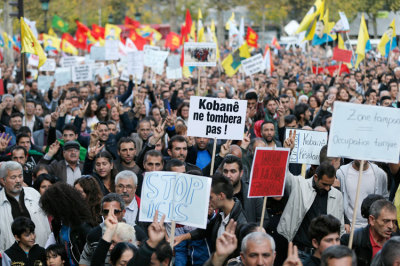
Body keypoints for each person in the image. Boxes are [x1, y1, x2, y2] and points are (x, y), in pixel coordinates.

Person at [277, 135, 344, 257]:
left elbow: (340, 227)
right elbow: (283, 173)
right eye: (324, 184)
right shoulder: (299, 184)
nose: (328, 188)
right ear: (316, 177)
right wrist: (287, 151)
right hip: (300, 251)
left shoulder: (337, 195)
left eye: (330, 185)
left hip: (326, 254)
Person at [175, 175, 248, 254]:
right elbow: (207, 230)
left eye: (210, 197)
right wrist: (182, 237)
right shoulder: (221, 214)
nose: (207, 201)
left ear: (221, 196)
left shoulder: (241, 224)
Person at [40, 183, 95, 265]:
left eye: (52, 208)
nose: (51, 212)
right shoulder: (57, 223)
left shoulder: (83, 226)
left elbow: (93, 254)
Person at [0, 161, 51, 250]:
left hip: (39, 251)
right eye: (13, 177)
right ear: (3, 180)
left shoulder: (34, 193)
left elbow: (46, 224)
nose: (18, 180)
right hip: (11, 257)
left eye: (20, 176)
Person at [341, 199, 397, 266]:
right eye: (386, 221)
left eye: (393, 221)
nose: (391, 226)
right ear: (372, 220)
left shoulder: (397, 244)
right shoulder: (351, 241)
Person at [337, 160, 389, 228]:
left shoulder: (380, 174)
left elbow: (385, 200)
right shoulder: (340, 174)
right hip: (349, 227)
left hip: (372, 227)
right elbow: (337, 202)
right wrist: (344, 222)